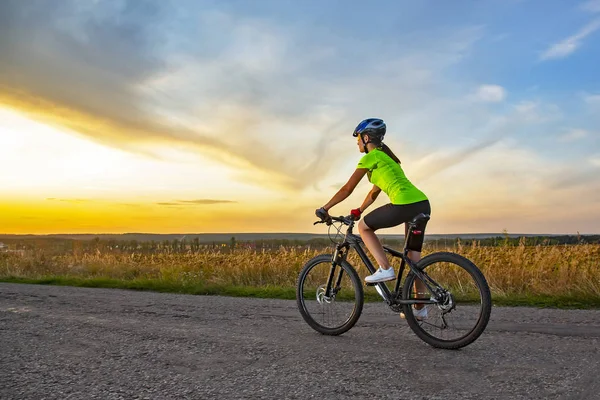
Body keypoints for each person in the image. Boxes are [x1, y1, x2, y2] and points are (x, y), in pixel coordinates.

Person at [315, 118, 431, 319]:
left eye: (358, 139)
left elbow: (347, 188)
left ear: (366, 137)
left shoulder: (371, 157)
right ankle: (419, 307)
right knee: (414, 259)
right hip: (421, 204)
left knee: (364, 228)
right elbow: (373, 193)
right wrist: (359, 209)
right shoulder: (387, 159)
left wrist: (325, 208)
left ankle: (385, 268)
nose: (357, 143)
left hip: (403, 204)